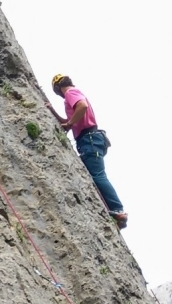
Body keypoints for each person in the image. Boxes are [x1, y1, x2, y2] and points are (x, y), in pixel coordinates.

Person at [48, 74, 127, 229]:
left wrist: (69, 124)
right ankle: (115, 212)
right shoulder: (73, 95)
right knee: (95, 176)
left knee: (98, 175)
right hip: (90, 139)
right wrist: (54, 112)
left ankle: (118, 209)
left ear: (57, 88)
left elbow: (82, 106)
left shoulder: (70, 93)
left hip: (89, 139)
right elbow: (71, 120)